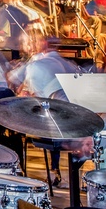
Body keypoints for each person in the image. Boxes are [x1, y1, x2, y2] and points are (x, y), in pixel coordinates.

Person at [6, 24, 82, 186]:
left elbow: (23, 91)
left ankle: (17, 171)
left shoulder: (35, 65)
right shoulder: (67, 63)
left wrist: (21, 89)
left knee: (11, 126)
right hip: (76, 122)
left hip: (51, 124)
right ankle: (58, 170)